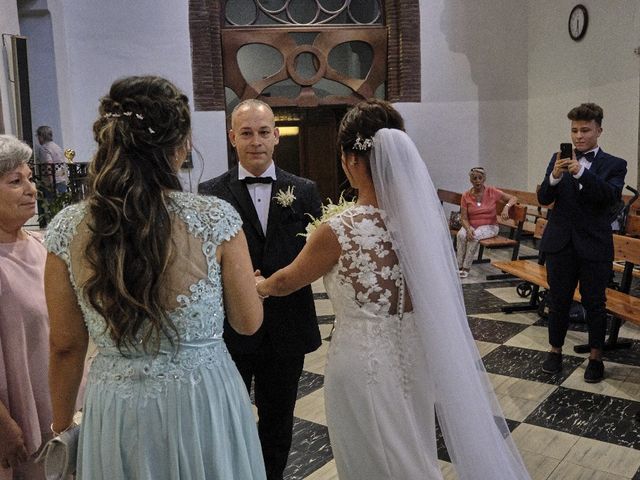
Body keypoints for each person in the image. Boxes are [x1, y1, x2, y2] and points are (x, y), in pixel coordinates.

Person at [255, 99, 531, 479]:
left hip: (362, 359)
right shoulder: (423, 224)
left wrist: (260, 285)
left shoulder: (342, 228)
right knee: (411, 448)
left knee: (370, 456)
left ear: (351, 159)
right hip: (413, 355)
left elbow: (289, 280)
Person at [43, 76, 266, 479]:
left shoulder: (66, 229)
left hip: (117, 407)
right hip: (202, 399)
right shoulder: (215, 219)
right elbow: (248, 324)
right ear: (180, 146)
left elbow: (64, 347)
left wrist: (63, 430)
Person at [198, 99, 322, 480]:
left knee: (278, 419)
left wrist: (268, 285)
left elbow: (314, 255)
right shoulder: (209, 193)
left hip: (287, 326)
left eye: (264, 132)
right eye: (247, 133)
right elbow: (200, 260)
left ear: (276, 136)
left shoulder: (304, 191)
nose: (256, 141)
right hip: (230, 329)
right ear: (233, 137)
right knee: (227, 417)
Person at [538, 103, 626, 383]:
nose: (579, 136)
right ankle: (554, 351)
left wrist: (580, 173)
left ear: (599, 130)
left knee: (595, 303)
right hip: (560, 243)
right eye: (574, 130)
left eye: (585, 130)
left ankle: (596, 357)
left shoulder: (615, 164)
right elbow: (543, 199)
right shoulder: (558, 159)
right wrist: (555, 176)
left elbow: (609, 197)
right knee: (559, 300)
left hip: (594, 245)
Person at [0, 134, 51, 479]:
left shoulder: (40, 246)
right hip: (11, 417)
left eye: (30, 178)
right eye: (15, 182)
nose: (31, 189)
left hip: (52, 403)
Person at [456, 167, 517, 278]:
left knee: (474, 236)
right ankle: (458, 266)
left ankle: (466, 268)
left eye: (480, 178)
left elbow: (513, 198)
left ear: (484, 179)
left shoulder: (492, 191)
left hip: (490, 226)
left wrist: (506, 207)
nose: (477, 181)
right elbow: (464, 218)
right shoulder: (466, 195)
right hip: (471, 225)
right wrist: (468, 228)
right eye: (474, 178)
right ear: (471, 180)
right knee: (461, 235)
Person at [35, 126, 68, 194]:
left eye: (38, 136)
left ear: (41, 136)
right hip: (62, 179)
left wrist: (51, 182)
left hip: (52, 182)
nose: (38, 139)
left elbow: (48, 165)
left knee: (51, 203)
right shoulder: (57, 147)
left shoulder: (44, 148)